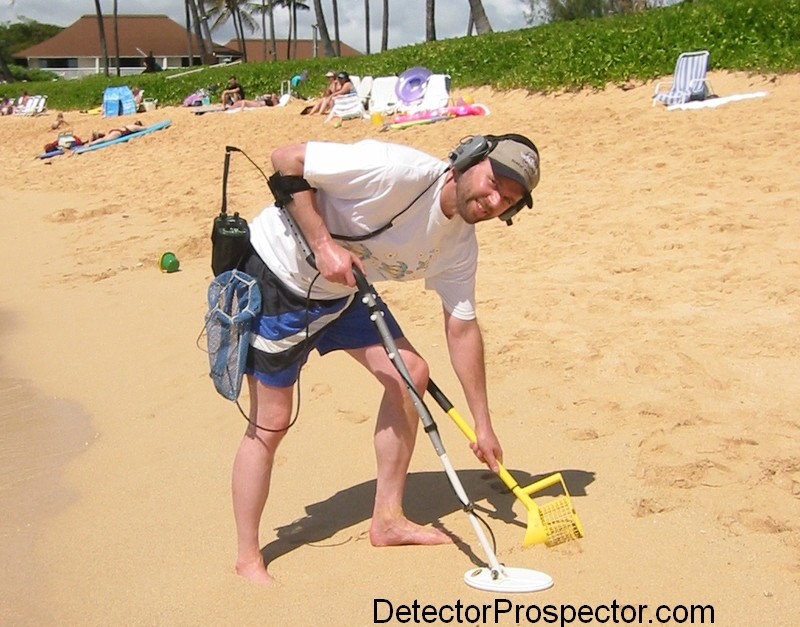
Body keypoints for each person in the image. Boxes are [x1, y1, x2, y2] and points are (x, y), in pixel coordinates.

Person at [230, 133, 541, 585]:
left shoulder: (459, 246)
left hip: (344, 289)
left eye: (509, 200)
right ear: (471, 159)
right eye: (495, 182)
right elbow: (285, 159)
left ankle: (388, 520)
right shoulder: (393, 170)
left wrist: (483, 423)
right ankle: (247, 557)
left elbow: (462, 327)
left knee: (410, 374)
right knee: (272, 421)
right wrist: (322, 243)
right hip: (279, 275)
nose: (494, 200)